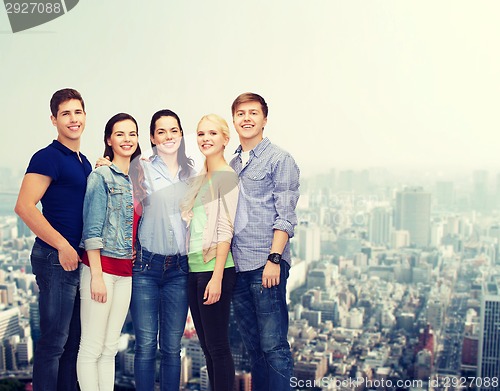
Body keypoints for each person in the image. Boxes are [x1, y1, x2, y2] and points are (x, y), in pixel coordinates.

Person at [14, 88, 91, 391]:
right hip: (55, 258)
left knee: (72, 344)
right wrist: (62, 246)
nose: (73, 119)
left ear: (85, 116)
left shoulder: (82, 161)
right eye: (65, 113)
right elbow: (23, 206)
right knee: (53, 345)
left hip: (75, 259)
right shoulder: (47, 157)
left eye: (78, 112)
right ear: (54, 119)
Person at [229, 93, 300, 390]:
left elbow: (285, 215)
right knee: (254, 349)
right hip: (238, 267)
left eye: (253, 113)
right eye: (241, 113)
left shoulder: (280, 160)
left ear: (264, 119)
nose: (246, 118)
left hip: (265, 264)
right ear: (233, 120)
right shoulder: (231, 163)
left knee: (274, 347)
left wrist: (274, 260)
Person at [76, 113, 143, 391]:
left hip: (125, 273)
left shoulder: (137, 181)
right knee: (91, 346)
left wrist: (135, 248)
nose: (127, 139)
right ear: (108, 140)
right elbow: (91, 229)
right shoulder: (101, 175)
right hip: (100, 270)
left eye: (132, 134)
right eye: (120, 134)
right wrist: (96, 276)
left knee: (110, 347)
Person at [130, 109, 195, 391]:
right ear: (152, 137)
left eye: (174, 130)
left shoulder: (192, 173)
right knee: (145, 346)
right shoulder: (141, 168)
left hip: (180, 269)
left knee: (171, 347)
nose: (168, 137)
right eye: (161, 131)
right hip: (145, 267)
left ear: (181, 134)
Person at [181, 114, 239, 391]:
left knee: (217, 347)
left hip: (214, 270)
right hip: (194, 269)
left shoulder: (226, 177)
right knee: (206, 347)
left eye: (212, 133)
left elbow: (226, 229)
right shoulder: (201, 178)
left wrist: (216, 277)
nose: (206, 139)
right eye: (201, 134)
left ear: (225, 139)